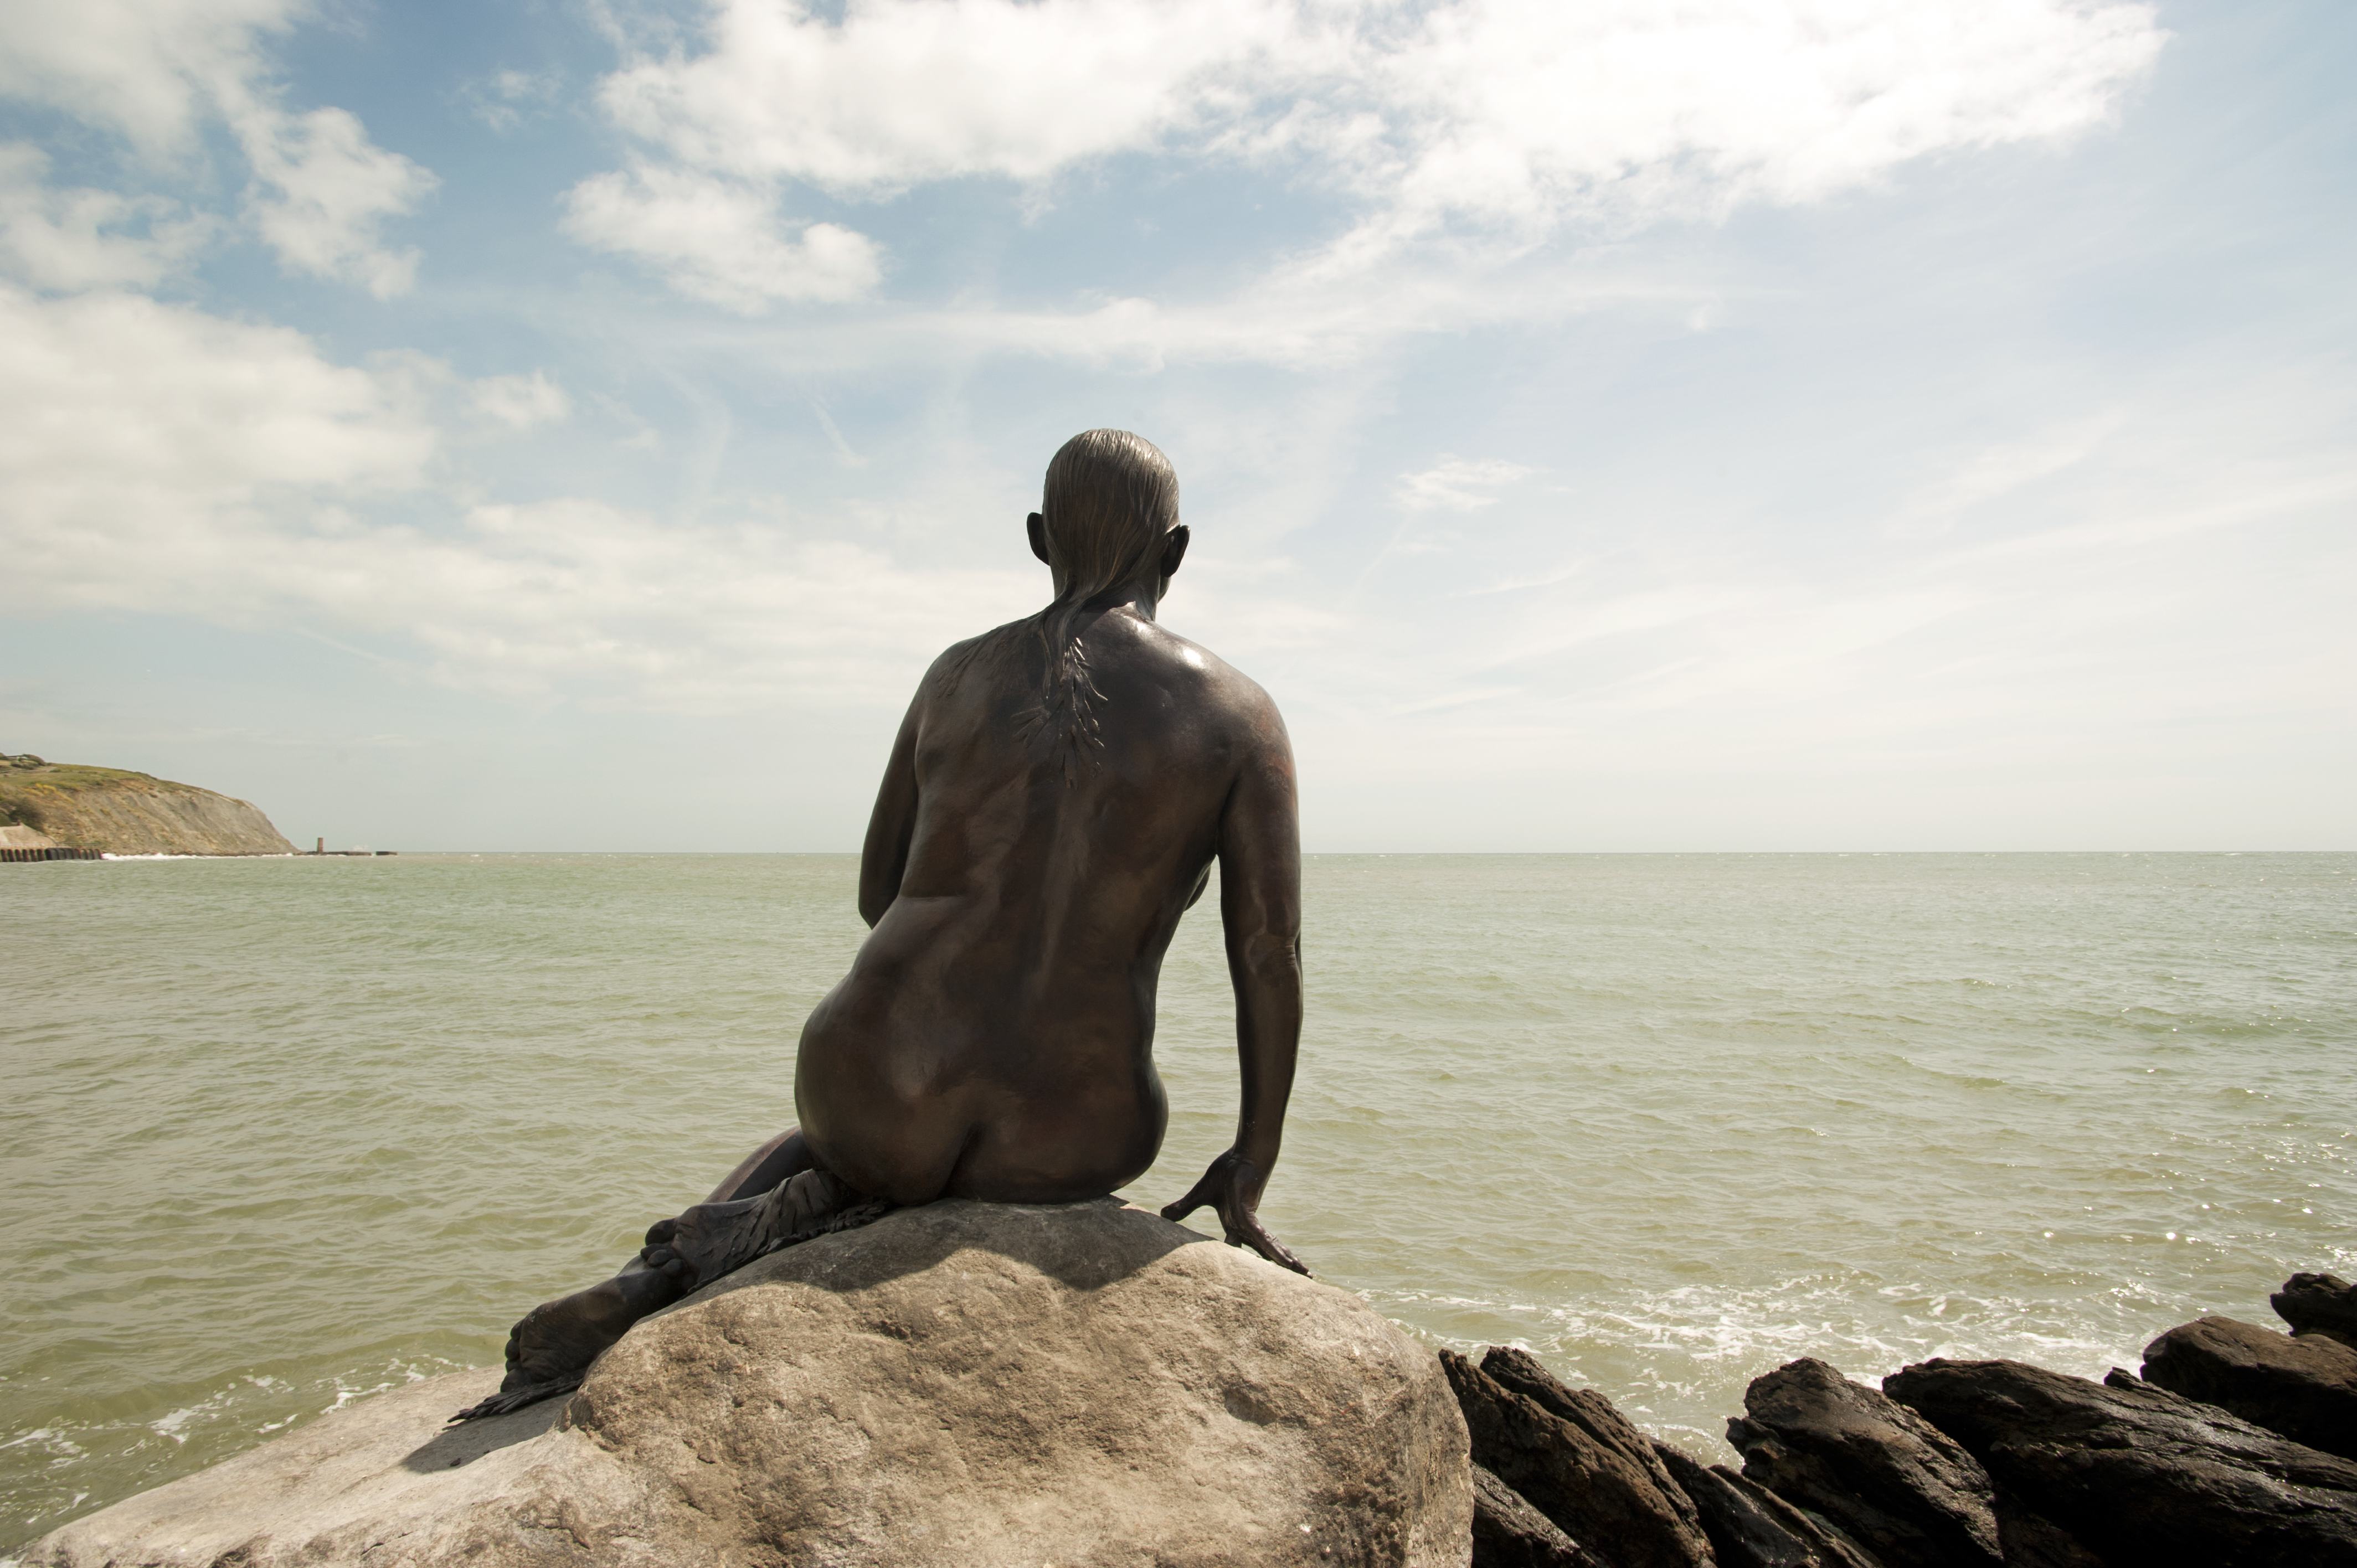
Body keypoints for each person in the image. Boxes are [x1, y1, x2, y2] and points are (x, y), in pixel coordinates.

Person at [455, 429, 1306, 1422]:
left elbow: (878, 891)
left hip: (871, 1077)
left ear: (1039, 539)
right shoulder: (1241, 716)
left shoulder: (953, 678)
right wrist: (1249, 1162)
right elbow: (1269, 955)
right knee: (919, 1138)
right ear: (1177, 551)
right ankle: (788, 1212)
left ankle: (668, 1268)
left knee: (823, 1143)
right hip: (1079, 1130)